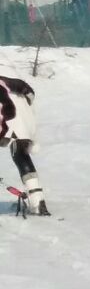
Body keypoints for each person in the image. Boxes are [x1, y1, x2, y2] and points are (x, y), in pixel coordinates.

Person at [0, 74, 50, 216]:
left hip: (9, 123)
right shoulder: (5, 81)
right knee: (21, 156)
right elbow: (28, 91)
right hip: (23, 125)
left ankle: (37, 203)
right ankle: (38, 202)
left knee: (20, 156)